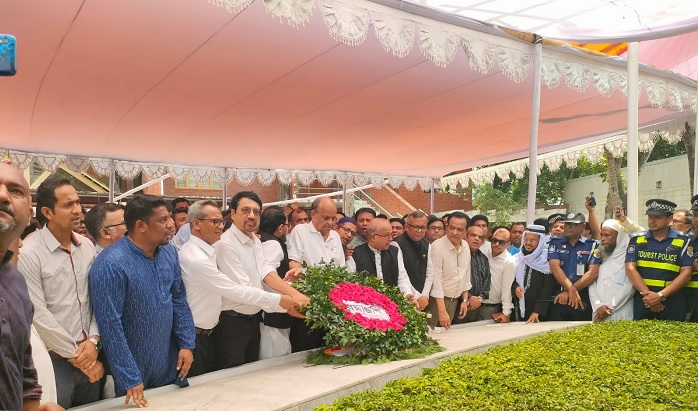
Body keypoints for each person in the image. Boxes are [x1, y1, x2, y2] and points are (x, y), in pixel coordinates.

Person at [89, 195, 196, 407]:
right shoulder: (110, 264)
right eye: (163, 220)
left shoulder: (168, 254)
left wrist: (186, 344)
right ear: (140, 226)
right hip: (130, 375)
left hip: (168, 364)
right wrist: (129, 376)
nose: (171, 225)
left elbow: (178, 299)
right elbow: (110, 325)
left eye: (170, 218)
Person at [19, 178, 103, 409]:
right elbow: (36, 313)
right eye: (68, 205)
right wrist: (78, 357)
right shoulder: (29, 253)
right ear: (47, 212)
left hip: (90, 354)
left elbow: (97, 300)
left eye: (78, 203)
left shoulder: (86, 246)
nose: (77, 210)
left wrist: (94, 342)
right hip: (55, 360)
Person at [214, 193, 303, 368]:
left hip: (254, 319)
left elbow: (264, 276)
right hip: (232, 323)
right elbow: (243, 289)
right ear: (233, 214)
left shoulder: (255, 241)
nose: (252, 216)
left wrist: (290, 288)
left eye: (256, 211)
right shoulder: (226, 244)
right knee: (231, 378)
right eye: (245, 210)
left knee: (251, 375)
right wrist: (285, 302)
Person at [0, 162, 62, 411]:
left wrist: (34, 407)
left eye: (16, 191)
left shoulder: (16, 283)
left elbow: (22, 364)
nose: (4, 195)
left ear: (29, 214)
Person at [287, 197, 345, 351]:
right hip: (308, 302)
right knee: (305, 348)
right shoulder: (301, 231)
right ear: (313, 214)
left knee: (327, 349)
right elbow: (294, 262)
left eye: (333, 218)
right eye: (325, 218)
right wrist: (298, 271)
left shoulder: (336, 236)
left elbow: (341, 269)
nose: (331, 223)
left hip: (332, 303)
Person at [625, 199, 693, 321]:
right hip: (644, 300)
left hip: (672, 301)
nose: (652, 220)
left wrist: (660, 296)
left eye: (657, 217)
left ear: (669, 219)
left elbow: (686, 273)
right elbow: (630, 268)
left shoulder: (684, 241)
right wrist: (649, 296)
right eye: (650, 216)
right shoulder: (637, 239)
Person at [259, 206, 310, 359]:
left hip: (272, 309)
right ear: (280, 228)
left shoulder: (261, 238)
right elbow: (267, 273)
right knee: (275, 359)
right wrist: (293, 293)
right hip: (273, 314)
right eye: (288, 225)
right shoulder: (273, 244)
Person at [547, 211, 600, 321]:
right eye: (566, 224)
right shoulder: (555, 242)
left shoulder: (592, 245)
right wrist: (570, 290)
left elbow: (593, 273)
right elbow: (555, 267)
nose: (568, 227)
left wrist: (570, 291)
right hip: (559, 296)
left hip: (582, 296)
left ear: (583, 226)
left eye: (573, 225)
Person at [347, 219, 416, 300]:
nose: (391, 239)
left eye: (391, 235)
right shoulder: (355, 254)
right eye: (387, 235)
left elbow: (402, 277)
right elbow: (350, 282)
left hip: (391, 301)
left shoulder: (395, 251)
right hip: (365, 302)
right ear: (373, 237)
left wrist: (407, 293)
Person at [426, 212, 471, 329]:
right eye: (451, 228)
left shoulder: (466, 246)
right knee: (432, 334)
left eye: (460, 229)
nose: (454, 232)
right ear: (446, 227)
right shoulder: (437, 246)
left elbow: (466, 275)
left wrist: (465, 300)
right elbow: (436, 282)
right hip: (437, 301)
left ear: (466, 231)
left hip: (455, 301)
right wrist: (441, 311)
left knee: (447, 337)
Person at [589, 220, 634, 322]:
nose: (603, 239)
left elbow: (629, 286)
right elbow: (591, 281)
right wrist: (598, 305)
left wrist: (609, 306)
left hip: (621, 310)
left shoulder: (628, 256)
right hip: (598, 312)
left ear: (619, 236)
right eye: (601, 235)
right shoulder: (598, 255)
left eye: (607, 235)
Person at [512, 225, 555, 323]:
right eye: (526, 239)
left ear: (540, 242)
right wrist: (515, 288)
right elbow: (510, 280)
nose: (528, 243)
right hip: (518, 307)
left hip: (539, 311)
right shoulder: (517, 258)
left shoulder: (546, 260)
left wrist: (537, 311)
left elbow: (547, 289)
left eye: (532, 240)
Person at [393, 211, 431, 311]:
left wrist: (424, 295)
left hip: (423, 298)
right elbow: (401, 275)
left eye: (423, 228)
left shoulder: (426, 244)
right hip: (405, 296)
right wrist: (417, 296)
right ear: (406, 226)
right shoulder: (396, 244)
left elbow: (430, 272)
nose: (419, 231)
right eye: (416, 227)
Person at [485, 227, 516, 323]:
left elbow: (507, 289)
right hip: (473, 304)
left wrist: (506, 313)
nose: (496, 244)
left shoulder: (509, 262)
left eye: (501, 242)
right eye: (494, 240)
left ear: (508, 244)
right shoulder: (483, 252)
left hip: (491, 307)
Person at [462, 226, 491, 323]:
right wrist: (469, 297)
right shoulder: (458, 255)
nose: (476, 239)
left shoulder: (483, 258)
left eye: (480, 237)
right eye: (473, 235)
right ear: (466, 236)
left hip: (477, 306)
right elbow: (456, 279)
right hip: (460, 303)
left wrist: (479, 298)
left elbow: (487, 280)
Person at [686, 194, 698, 322]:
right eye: (695, 215)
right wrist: (691, 268)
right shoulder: (684, 241)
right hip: (688, 300)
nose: (697, 219)